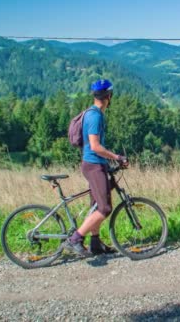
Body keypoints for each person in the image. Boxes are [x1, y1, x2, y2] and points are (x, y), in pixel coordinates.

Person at [62, 79, 129, 256]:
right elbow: (95, 146)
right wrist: (117, 157)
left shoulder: (94, 113)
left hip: (96, 164)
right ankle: (75, 239)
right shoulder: (95, 116)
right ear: (109, 96)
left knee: (95, 206)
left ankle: (95, 243)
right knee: (105, 208)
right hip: (93, 165)